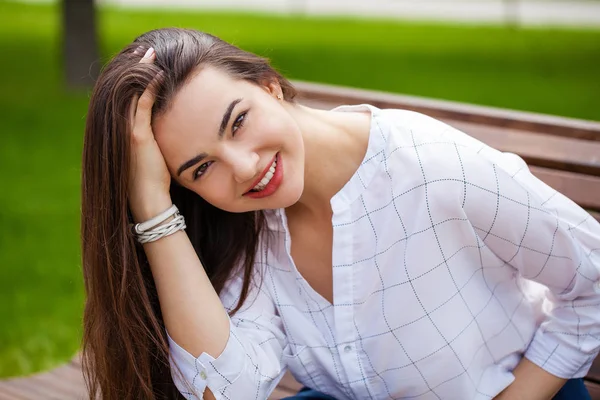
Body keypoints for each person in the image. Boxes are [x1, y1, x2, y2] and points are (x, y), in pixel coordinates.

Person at [81, 27, 600, 400]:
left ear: (269, 85)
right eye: (200, 169)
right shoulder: (250, 228)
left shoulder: (433, 168)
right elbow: (228, 391)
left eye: (237, 122)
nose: (242, 169)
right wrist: (152, 208)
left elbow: (594, 278)